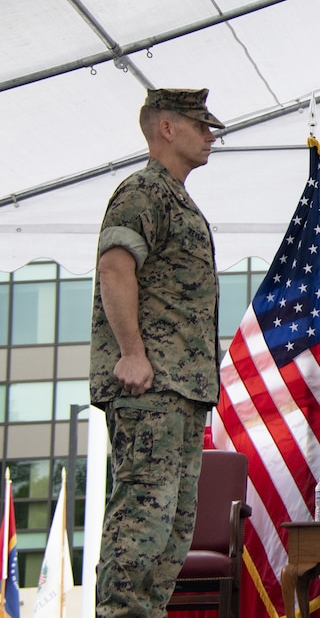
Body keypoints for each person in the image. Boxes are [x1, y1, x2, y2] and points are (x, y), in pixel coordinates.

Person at [90, 88, 225, 617]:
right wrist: (131, 353)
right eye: (201, 126)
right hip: (150, 387)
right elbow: (115, 266)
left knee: (170, 534)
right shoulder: (143, 190)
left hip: (182, 391)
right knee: (140, 526)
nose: (210, 136)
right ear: (167, 128)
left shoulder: (177, 198)